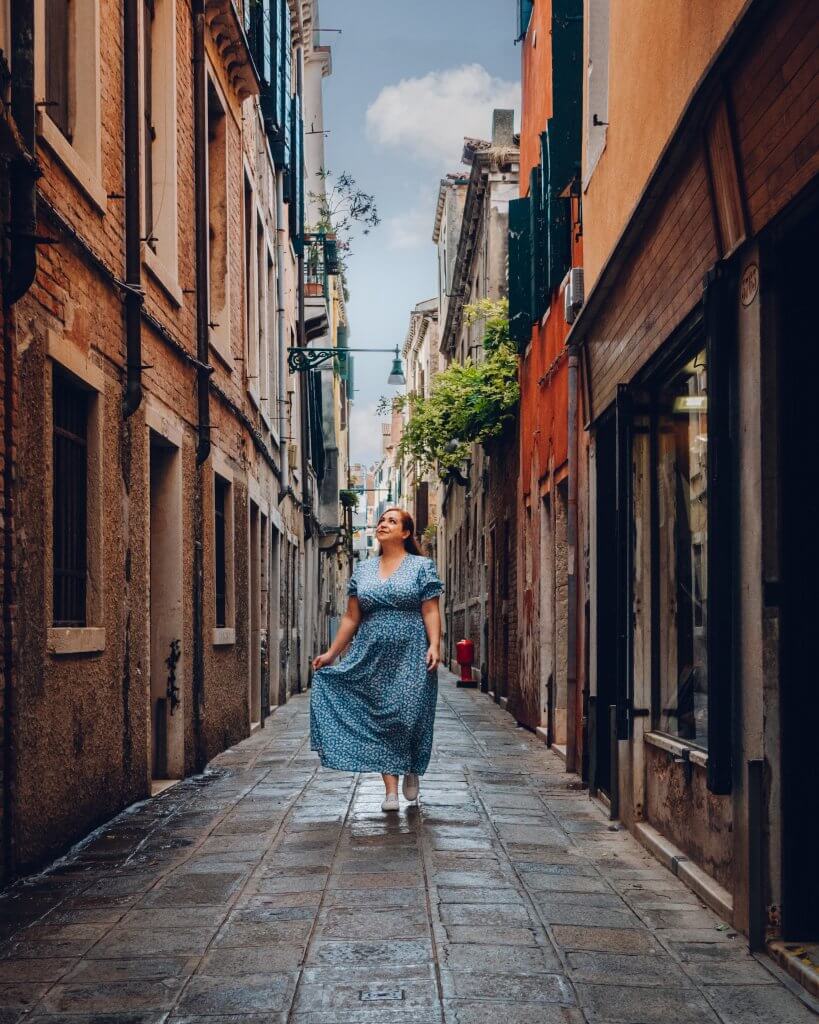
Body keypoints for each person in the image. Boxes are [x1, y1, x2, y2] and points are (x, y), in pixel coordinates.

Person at [310, 507, 443, 811]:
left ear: (406, 533)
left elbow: (430, 609)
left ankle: (410, 766)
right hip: (371, 654)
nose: (383, 524)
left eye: (392, 521)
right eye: (382, 520)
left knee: (407, 713)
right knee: (381, 716)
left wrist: (434, 644)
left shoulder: (422, 567)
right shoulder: (364, 570)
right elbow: (351, 617)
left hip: (411, 651)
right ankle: (391, 791)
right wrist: (331, 654)